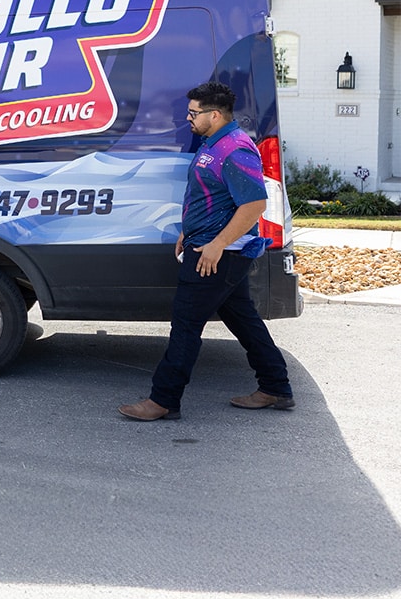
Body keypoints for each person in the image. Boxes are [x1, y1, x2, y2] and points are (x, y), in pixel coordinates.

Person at [119, 81, 294, 421]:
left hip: (217, 256)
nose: (188, 118)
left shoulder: (236, 149)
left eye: (193, 113)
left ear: (214, 115)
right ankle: (275, 386)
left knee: (185, 326)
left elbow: (255, 204)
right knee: (244, 321)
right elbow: (212, 195)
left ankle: (164, 399)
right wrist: (190, 229)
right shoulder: (213, 143)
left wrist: (215, 245)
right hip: (211, 247)